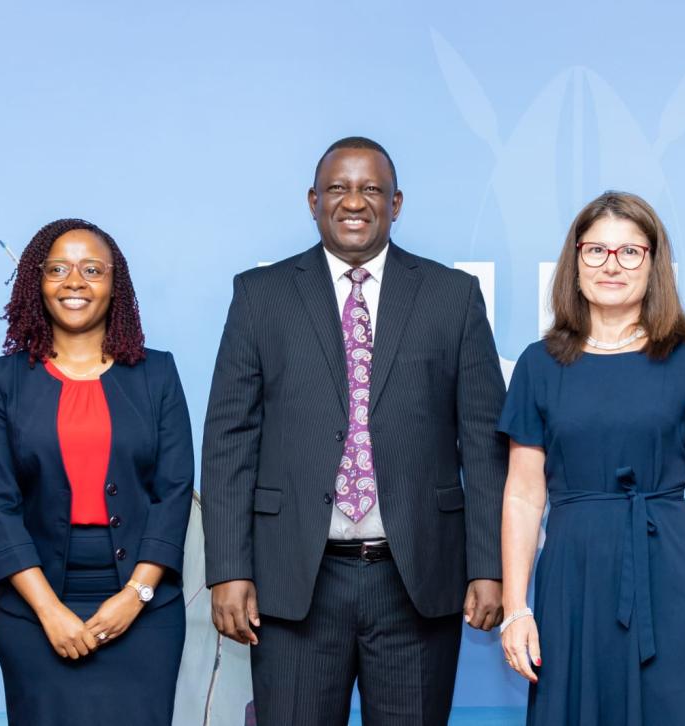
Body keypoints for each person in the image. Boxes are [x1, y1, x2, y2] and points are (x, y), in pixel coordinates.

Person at [200, 137, 508, 725]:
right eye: (338, 188)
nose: (354, 201)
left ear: (397, 203)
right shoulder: (261, 296)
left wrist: (487, 565)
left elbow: (485, 443)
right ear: (313, 200)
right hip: (293, 582)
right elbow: (228, 441)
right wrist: (230, 570)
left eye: (371, 188)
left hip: (415, 578)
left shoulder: (452, 297)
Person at [498, 191, 685, 725]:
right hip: (575, 581)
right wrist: (515, 609)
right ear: (575, 262)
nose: (610, 265)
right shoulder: (538, 365)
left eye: (629, 252)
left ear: (653, 262)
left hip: (673, 574)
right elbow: (524, 495)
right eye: (595, 251)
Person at [0, 218, 194, 725]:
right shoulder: (3, 381)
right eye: (59, 269)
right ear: (36, 282)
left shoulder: (158, 375)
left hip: (145, 612)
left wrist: (136, 597)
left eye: (92, 269)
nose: (75, 281)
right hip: (32, 610)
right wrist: (49, 612)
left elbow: (174, 492)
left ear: (116, 284)